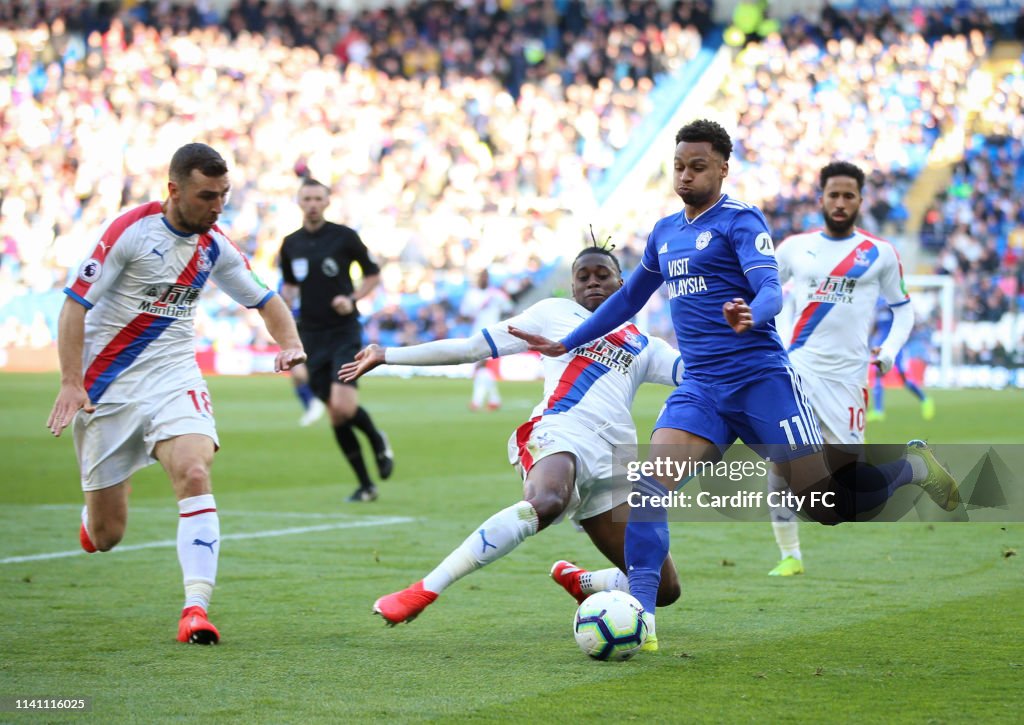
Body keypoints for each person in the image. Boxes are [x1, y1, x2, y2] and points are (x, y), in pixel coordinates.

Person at [511, 119, 959, 647]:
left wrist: (753, 313)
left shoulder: (740, 222)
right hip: (701, 388)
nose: (685, 175)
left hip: (762, 384)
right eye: (678, 166)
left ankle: (911, 466)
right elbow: (629, 298)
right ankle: (644, 615)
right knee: (651, 485)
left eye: (697, 166)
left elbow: (770, 288)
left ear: (723, 168)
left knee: (827, 507)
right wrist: (570, 340)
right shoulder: (664, 233)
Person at [339, 246, 683, 650]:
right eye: (583, 276)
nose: (592, 281)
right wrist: (388, 354)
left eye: (602, 275)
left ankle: (583, 580)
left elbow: (699, 376)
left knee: (663, 589)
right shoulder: (555, 314)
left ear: (623, 284)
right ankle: (425, 589)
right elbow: (472, 348)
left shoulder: (646, 346)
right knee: (548, 500)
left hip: (614, 460)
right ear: (572, 287)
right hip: (562, 429)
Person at [46, 143, 307, 645]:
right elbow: (74, 306)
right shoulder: (129, 233)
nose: (218, 206)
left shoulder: (214, 246)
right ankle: (92, 518)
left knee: (193, 471)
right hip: (108, 388)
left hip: (174, 378)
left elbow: (266, 299)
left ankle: (195, 609)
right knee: (108, 536)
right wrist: (70, 382)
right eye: (207, 196)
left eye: (224, 195)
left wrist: (291, 344)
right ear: (174, 190)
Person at [768, 161, 915, 576]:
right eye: (833, 194)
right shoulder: (795, 248)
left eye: (848, 195)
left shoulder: (879, 254)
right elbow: (765, 293)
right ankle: (790, 555)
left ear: (860, 201)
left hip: (848, 380)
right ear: (821, 198)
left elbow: (904, 311)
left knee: (841, 498)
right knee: (779, 462)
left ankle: (912, 468)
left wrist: (887, 351)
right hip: (796, 372)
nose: (840, 202)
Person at [279, 178, 393, 502]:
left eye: (318, 198)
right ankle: (366, 485)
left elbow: (372, 274)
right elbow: (289, 285)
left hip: (343, 331)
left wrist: (352, 297)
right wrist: (282, 305)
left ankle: (376, 439)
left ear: (327, 202)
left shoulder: (344, 237)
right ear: (299, 202)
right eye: (307, 198)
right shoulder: (290, 244)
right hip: (310, 335)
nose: (313, 204)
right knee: (335, 414)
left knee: (343, 406)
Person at [867, 301, 935, 423]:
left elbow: (905, 315)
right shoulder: (877, 304)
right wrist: (870, 342)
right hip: (881, 346)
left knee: (903, 378)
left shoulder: (893, 302)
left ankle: (924, 399)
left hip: (896, 347)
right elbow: (875, 327)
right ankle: (878, 411)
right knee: (878, 374)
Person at [458, 269, 512, 411]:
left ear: (489, 278)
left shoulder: (496, 295)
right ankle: (495, 400)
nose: (483, 279)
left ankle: (476, 401)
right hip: (475, 334)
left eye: (486, 276)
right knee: (483, 368)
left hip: (491, 334)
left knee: (480, 366)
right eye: (481, 276)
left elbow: (509, 310)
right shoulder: (471, 294)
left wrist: (502, 326)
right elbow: (464, 314)